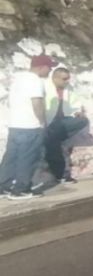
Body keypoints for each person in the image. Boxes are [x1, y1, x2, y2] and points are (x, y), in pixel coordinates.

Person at [0, 55, 55, 200]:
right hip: (30, 126)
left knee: (10, 158)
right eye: (49, 68)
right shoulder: (35, 81)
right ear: (42, 67)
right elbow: (36, 103)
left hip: (15, 125)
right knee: (28, 158)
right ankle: (21, 189)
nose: (50, 71)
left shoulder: (18, 79)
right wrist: (43, 123)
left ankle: (3, 187)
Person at [44, 67, 88, 186]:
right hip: (48, 123)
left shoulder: (68, 89)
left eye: (68, 79)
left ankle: (63, 175)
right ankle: (59, 175)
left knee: (63, 148)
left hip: (63, 123)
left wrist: (77, 113)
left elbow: (75, 105)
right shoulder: (45, 87)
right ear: (55, 78)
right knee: (52, 150)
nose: (67, 81)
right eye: (64, 79)